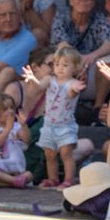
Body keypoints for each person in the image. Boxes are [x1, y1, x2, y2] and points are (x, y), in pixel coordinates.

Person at [22, 47, 84, 189]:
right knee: (50, 154)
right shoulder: (49, 79)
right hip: (49, 125)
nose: (60, 68)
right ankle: (53, 179)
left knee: (66, 154)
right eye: (57, 64)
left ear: (75, 68)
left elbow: (71, 92)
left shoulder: (73, 83)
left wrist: (76, 89)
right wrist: (32, 79)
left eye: (65, 65)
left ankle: (69, 180)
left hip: (65, 125)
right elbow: (39, 87)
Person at [51, 0, 110, 110]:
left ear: (93, 1)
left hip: (91, 71)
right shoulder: (61, 17)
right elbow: (61, 43)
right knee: (59, 60)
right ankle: (62, 109)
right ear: (71, 0)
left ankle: (97, 109)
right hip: (68, 69)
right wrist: (79, 61)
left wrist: (93, 56)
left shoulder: (99, 18)